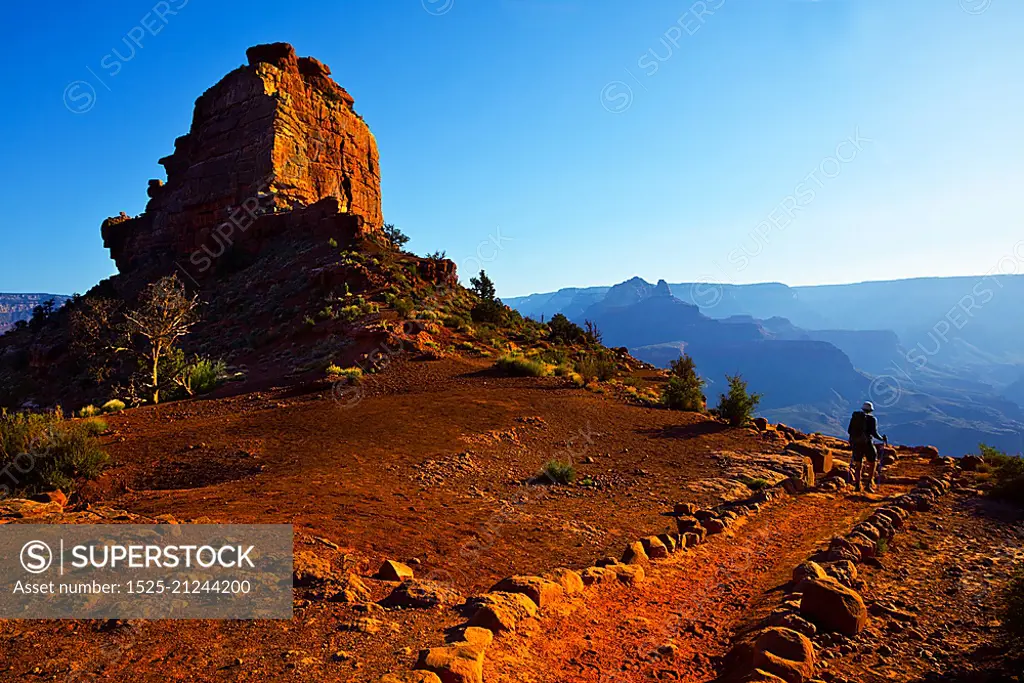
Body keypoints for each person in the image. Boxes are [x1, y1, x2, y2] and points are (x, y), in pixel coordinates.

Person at [848, 400, 886, 492]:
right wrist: (882, 439)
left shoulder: (855, 418)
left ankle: (857, 485)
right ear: (871, 410)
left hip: (856, 444)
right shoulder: (872, 419)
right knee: (872, 463)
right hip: (867, 444)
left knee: (858, 465)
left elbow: (849, 430)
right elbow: (874, 433)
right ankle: (868, 484)